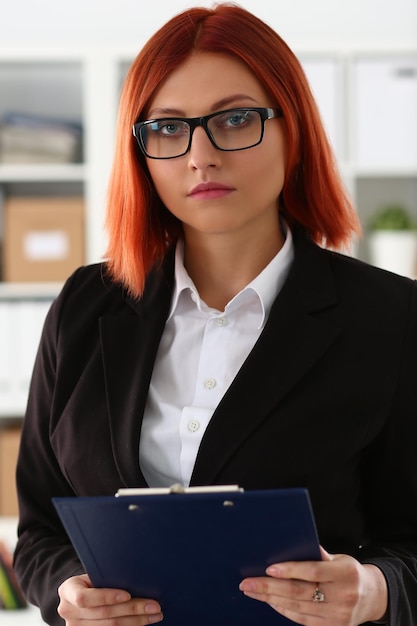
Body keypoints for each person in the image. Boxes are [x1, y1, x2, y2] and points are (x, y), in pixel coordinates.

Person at [13, 3, 417, 626]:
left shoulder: (390, 318)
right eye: (169, 129)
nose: (201, 155)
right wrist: (67, 590)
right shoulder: (83, 307)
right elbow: (40, 530)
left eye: (234, 119)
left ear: (294, 128)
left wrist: (375, 589)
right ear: (141, 151)